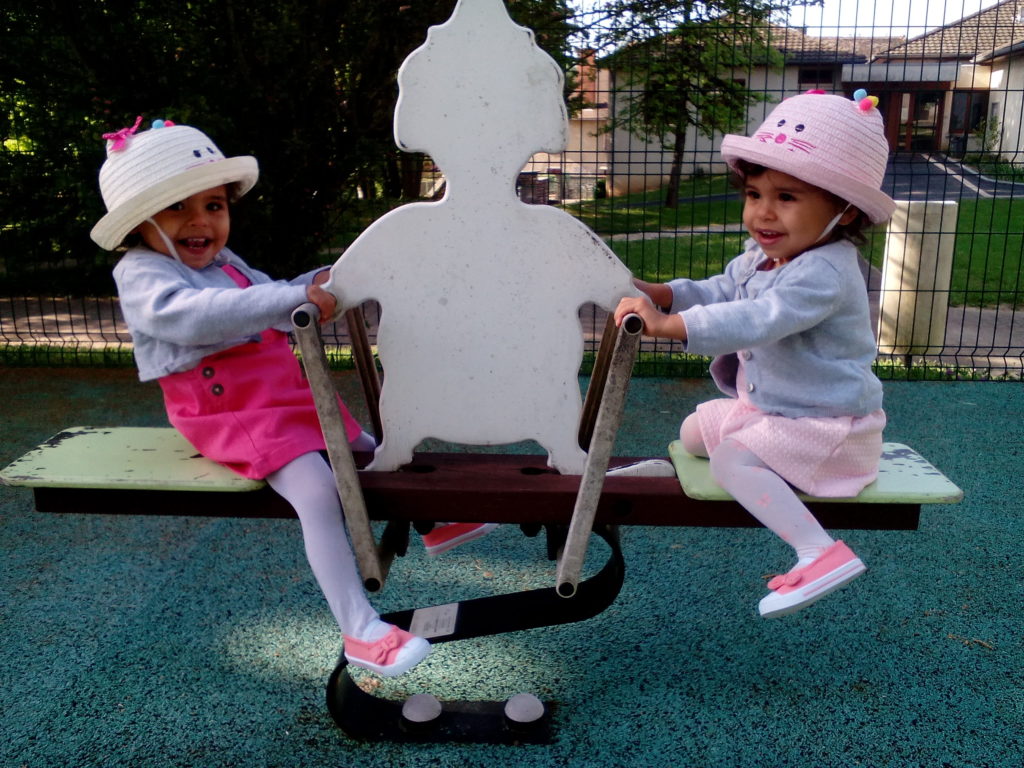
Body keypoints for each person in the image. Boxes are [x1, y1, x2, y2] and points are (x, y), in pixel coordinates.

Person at [90, 117, 484, 675]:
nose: (200, 221)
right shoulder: (142, 273)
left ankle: (433, 521)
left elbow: (275, 300)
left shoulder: (226, 263)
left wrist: (329, 281)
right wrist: (292, 297)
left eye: (214, 205)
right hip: (229, 410)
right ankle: (360, 630)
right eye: (177, 208)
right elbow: (192, 317)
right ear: (140, 221)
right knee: (318, 491)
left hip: (281, 395)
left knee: (376, 449)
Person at [614, 91, 896, 618]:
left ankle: (820, 552)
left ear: (845, 210)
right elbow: (724, 291)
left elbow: (760, 317)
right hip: (777, 409)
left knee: (730, 458)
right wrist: (666, 294)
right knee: (693, 434)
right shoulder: (764, 257)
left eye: (786, 197)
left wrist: (673, 326)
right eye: (753, 193)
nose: (762, 212)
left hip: (827, 427)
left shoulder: (825, 272)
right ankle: (765, 465)